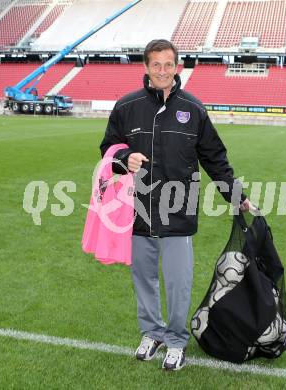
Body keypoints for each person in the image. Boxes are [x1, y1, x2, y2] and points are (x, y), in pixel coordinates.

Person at [100, 39, 252, 371]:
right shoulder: (127, 107)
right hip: (137, 212)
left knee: (178, 282)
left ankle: (176, 340)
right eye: (156, 64)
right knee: (143, 279)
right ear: (146, 67)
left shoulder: (193, 108)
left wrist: (235, 194)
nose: (163, 71)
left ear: (177, 66)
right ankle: (151, 333)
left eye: (169, 64)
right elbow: (109, 150)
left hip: (178, 212)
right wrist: (125, 157)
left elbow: (215, 158)